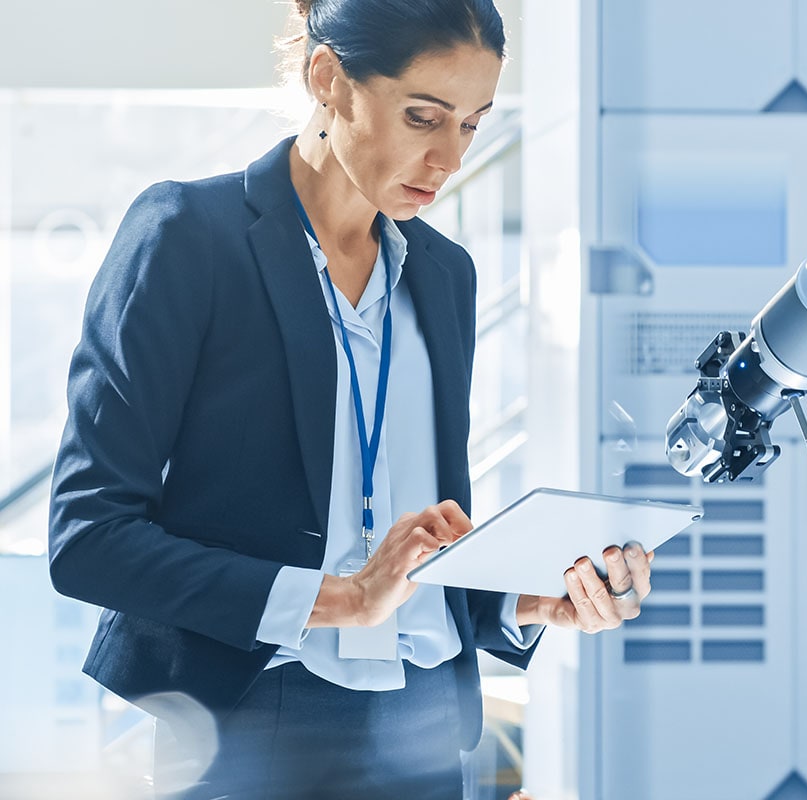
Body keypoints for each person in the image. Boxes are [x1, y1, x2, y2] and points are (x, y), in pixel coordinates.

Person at [47, 1, 653, 797]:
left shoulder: (446, 275)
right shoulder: (188, 237)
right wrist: (342, 601)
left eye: (471, 125)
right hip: (256, 716)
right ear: (327, 76)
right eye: (423, 117)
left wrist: (520, 598)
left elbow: (414, 530)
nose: (447, 159)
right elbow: (88, 535)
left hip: (430, 721)